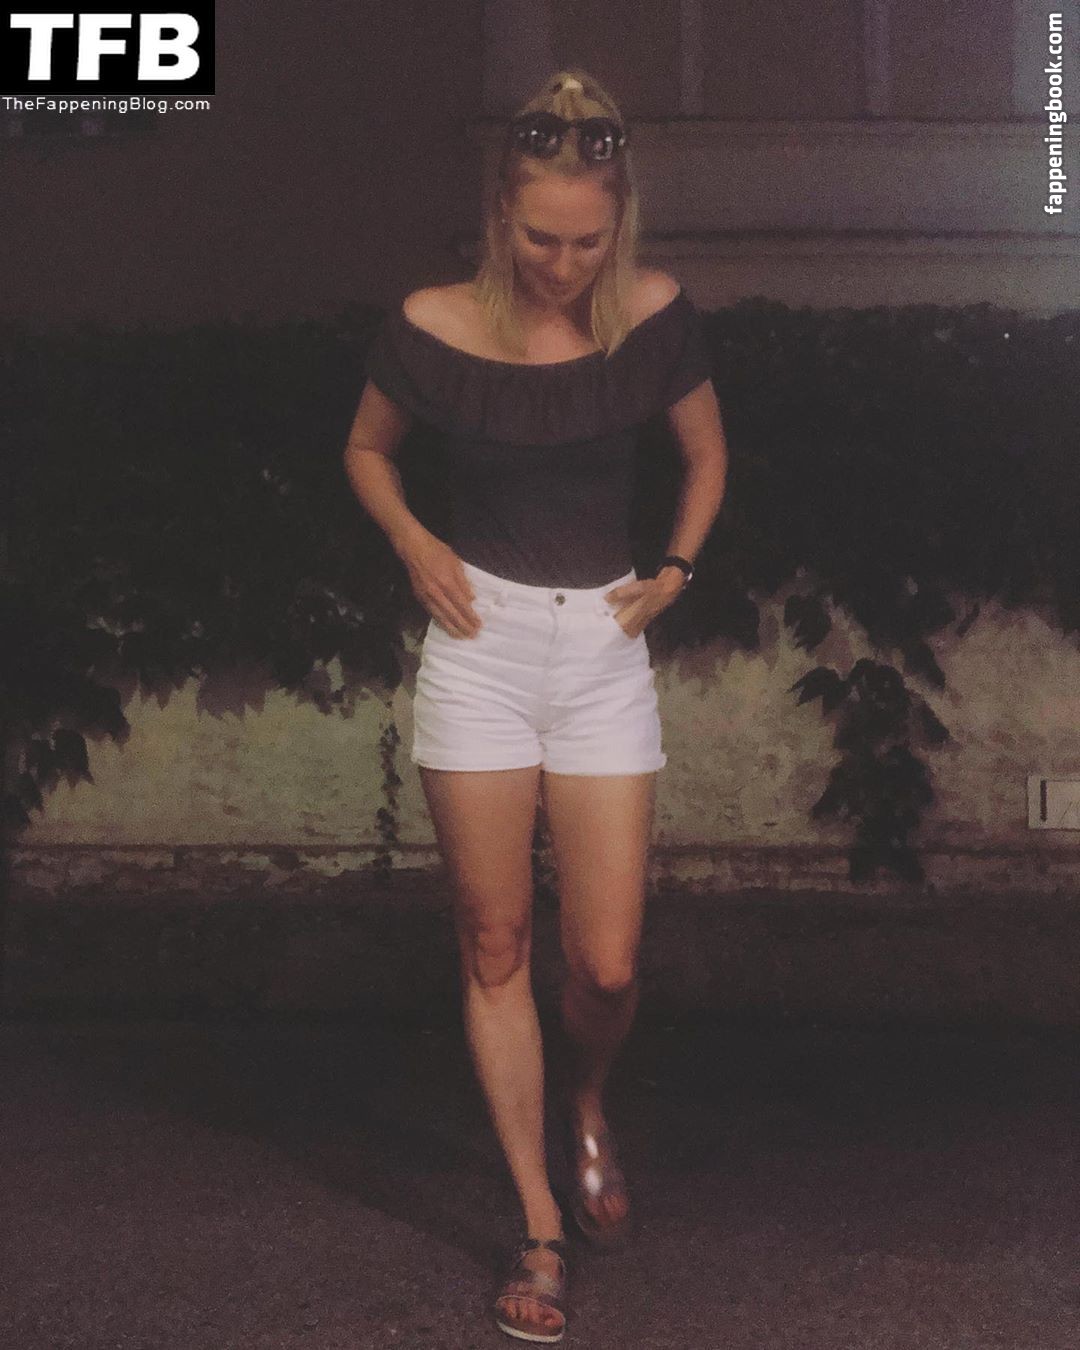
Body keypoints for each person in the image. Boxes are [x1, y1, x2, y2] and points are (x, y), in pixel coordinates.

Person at [343, 67, 727, 1345]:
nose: (563, 265)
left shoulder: (654, 316)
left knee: (605, 963)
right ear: (499, 217)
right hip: (481, 649)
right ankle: (538, 1226)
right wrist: (413, 541)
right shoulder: (431, 322)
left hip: (603, 648)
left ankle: (589, 1099)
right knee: (496, 943)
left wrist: (676, 570)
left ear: (621, 224)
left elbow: (707, 454)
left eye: (587, 241)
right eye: (539, 238)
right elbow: (366, 449)